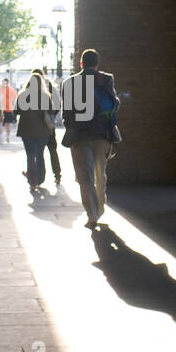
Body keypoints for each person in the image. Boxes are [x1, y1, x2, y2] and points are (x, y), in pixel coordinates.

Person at [61, 48, 120, 229]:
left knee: (85, 178)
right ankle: (100, 208)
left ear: (81, 64)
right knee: (99, 174)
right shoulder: (106, 79)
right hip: (102, 135)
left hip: (79, 136)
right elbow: (115, 104)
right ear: (97, 64)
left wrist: (73, 126)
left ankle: (92, 214)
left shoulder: (70, 82)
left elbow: (67, 112)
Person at [16, 69, 52, 191]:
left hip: (26, 130)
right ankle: (40, 178)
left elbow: (16, 111)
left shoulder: (22, 96)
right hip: (42, 131)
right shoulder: (45, 96)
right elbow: (51, 112)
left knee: (30, 155)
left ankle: (32, 180)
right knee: (40, 154)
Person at [43, 71, 62, 183]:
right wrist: (51, 116)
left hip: (38, 126)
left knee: (36, 152)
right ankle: (57, 174)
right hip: (50, 125)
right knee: (52, 150)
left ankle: (38, 176)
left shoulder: (32, 87)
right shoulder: (51, 87)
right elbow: (57, 105)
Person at [0, 78, 18, 143]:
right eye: (3, 82)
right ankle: (0, 136)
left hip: (9, 109)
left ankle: (8, 137)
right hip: (1, 109)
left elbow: (16, 98)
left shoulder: (11, 90)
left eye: (5, 83)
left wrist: (13, 105)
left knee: (8, 124)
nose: (3, 84)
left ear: (7, 83)